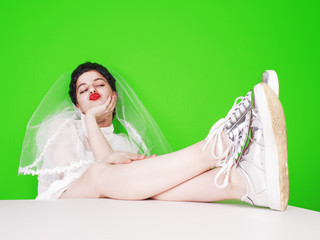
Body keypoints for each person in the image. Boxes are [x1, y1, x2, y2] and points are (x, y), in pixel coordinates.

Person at [19, 62, 288, 211]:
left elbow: (116, 184)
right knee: (101, 174)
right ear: (77, 105)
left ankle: (243, 183)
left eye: (100, 85)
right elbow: (89, 178)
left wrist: (146, 177)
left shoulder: (124, 143)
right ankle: (218, 146)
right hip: (60, 210)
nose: (92, 91)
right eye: (83, 90)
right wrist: (90, 119)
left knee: (156, 190)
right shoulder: (59, 126)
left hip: (105, 214)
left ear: (113, 96)